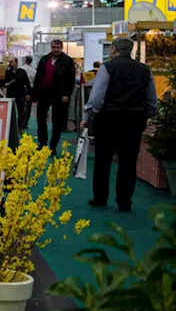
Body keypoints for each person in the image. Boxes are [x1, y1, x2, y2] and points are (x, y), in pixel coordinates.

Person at [83, 37, 157, 212]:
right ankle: (124, 202)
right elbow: (151, 98)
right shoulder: (145, 70)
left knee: (103, 160)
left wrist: (88, 115)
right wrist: (147, 115)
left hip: (108, 119)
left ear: (114, 50)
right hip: (134, 120)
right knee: (128, 161)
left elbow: (97, 97)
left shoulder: (107, 67)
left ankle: (100, 198)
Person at [30, 39, 77, 152]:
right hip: (43, 93)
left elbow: (71, 79)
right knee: (41, 120)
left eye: (58, 48)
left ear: (62, 48)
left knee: (57, 121)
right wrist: (34, 94)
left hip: (59, 94)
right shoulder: (44, 59)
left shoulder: (68, 61)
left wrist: (67, 94)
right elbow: (38, 77)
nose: (56, 50)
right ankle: (42, 143)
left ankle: (53, 146)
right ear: (51, 48)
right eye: (54, 47)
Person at [3, 56, 32, 132]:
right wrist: (7, 84)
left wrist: (29, 94)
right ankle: (10, 128)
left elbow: (27, 83)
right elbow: (3, 83)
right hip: (10, 94)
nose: (10, 64)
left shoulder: (22, 72)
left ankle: (20, 127)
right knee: (10, 112)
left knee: (21, 112)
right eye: (9, 62)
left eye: (11, 62)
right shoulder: (7, 72)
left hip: (21, 94)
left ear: (16, 62)